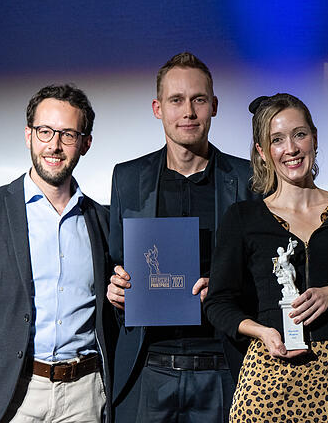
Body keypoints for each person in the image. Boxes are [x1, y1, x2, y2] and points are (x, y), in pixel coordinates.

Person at [204, 93, 328, 422]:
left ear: (314, 137)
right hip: (268, 372)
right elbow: (218, 302)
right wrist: (263, 333)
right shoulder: (243, 218)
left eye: (300, 134)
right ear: (262, 151)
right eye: (277, 139)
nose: (291, 148)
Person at [0, 84, 112, 423]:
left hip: (86, 396)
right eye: (45, 131)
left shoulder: (102, 221)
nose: (55, 145)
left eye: (68, 135)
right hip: (12, 393)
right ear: (28, 135)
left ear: (85, 143)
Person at [104, 52, 256, 422]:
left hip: (224, 366)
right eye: (176, 100)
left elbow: (265, 273)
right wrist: (116, 291)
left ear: (214, 106)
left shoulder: (248, 179)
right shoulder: (127, 178)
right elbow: (116, 261)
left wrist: (226, 288)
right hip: (149, 368)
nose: (188, 111)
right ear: (158, 108)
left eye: (198, 100)